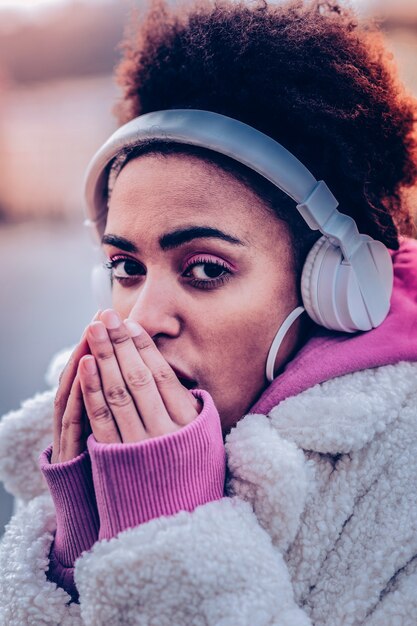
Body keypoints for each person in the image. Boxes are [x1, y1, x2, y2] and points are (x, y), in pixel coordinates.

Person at [0, 0, 417, 624]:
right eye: (125, 267)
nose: (141, 321)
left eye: (204, 269)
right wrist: (77, 548)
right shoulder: (81, 443)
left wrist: (167, 531)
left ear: (334, 285)